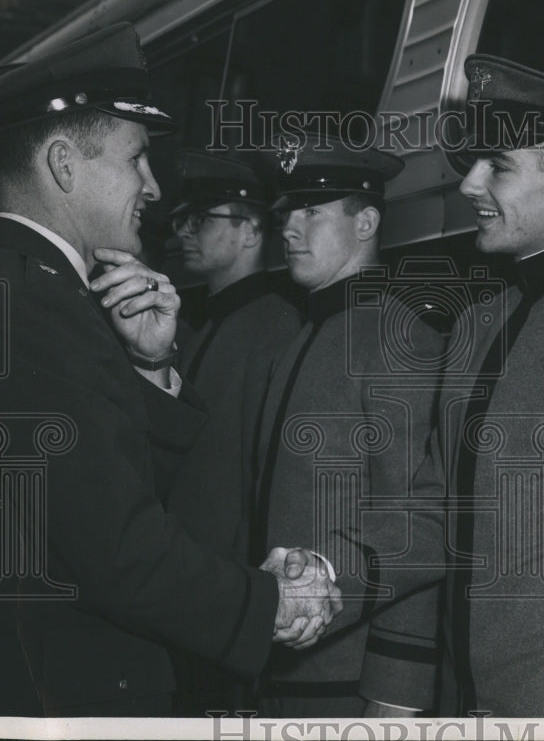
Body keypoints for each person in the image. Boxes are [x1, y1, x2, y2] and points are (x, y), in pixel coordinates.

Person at [267, 55, 544, 717]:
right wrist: (330, 575)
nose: (468, 184)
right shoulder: (476, 322)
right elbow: (437, 509)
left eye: (496, 164)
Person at [0, 23, 339, 718]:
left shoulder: (23, 287)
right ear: (65, 166)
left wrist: (149, 363)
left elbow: (97, 495)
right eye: (137, 160)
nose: (154, 188)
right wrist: (268, 603)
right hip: (62, 694)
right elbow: (115, 550)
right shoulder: (34, 305)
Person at [248, 135, 445, 717]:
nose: (289, 228)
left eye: (313, 211)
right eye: (288, 212)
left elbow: (419, 524)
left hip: (348, 684)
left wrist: (396, 692)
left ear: (367, 224)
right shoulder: (300, 338)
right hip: (283, 670)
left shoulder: (397, 339)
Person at [165, 150, 302, 715]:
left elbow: (262, 490)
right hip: (182, 595)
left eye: (201, 220)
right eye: (181, 221)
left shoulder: (277, 329)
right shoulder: (196, 327)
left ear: (250, 231)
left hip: (225, 609)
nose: (184, 234)